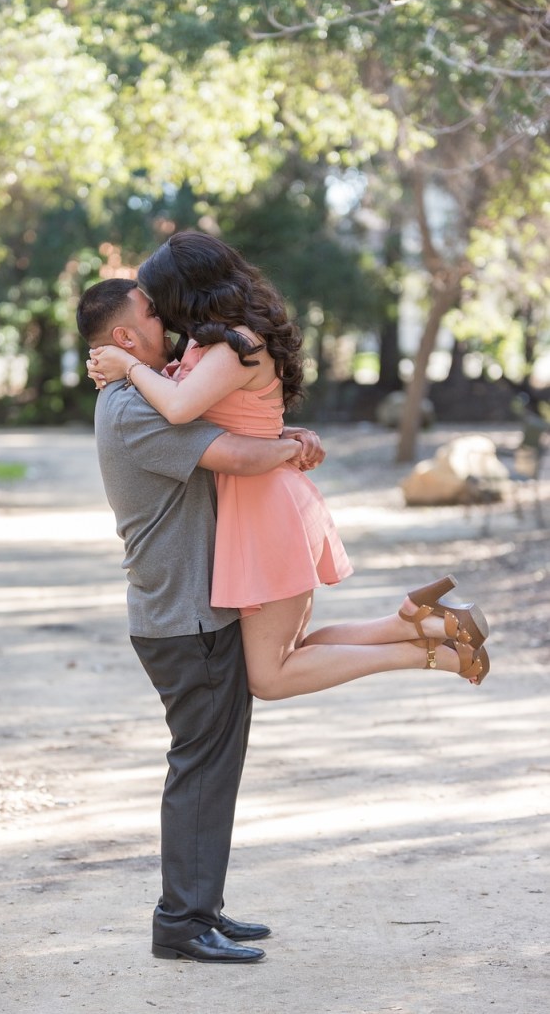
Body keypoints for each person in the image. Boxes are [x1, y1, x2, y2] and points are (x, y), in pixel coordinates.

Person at [87, 231, 490, 703]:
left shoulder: (237, 344)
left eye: (160, 303)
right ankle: (420, 622)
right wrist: (123, 364)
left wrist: (128, 367)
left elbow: (178, 409)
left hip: (264, 506)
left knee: (270, 676)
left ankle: (435, 652)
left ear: (185, 292)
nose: (161, 312)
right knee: (292, 651)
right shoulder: (208, 343)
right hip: (253, 504)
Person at [76, 277, 325, 964]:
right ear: (125, 336)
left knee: (213, 764)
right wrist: (292, 447)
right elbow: (237, 455)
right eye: (153, 312)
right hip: (184, 616)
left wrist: (283, 436)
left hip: (189, 609)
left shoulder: (145, 391)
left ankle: (200, 907)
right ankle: (181, 921)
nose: (170, 317)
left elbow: (240, 433)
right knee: (200, 766)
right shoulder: (133, 407)